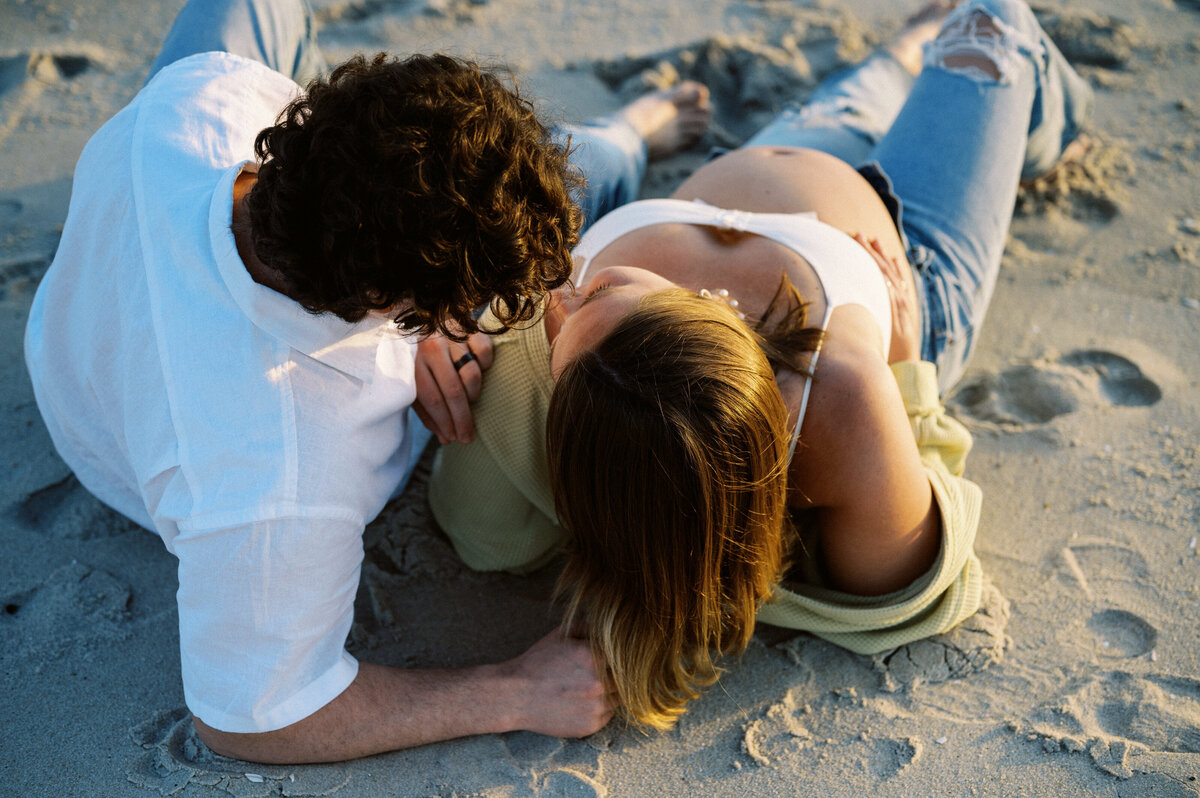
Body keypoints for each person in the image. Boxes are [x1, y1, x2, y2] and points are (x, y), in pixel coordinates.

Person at [23, 0, 710, 763]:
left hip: (90, 333)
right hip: (128, 438)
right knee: (590, 204)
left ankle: (622, 137)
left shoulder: (197, 106)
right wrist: (513, 688)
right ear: (390, 302)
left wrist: (421, 328)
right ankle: (625, 139)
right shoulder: (275, 480)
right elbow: (256, 720)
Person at [424, 0, 1093, 729]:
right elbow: (919, 589)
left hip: (750, 163)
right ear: (705, 315)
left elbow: (477, 527)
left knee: (849, 99)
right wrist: (903, 369)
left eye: (585, 294)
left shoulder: (572, 358)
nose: (557, 293)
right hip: (907, 246)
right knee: (994, 23)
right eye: (585, 300)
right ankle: (1051, 122)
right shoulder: (840, 396)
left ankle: (893, 62)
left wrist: (433, 333)